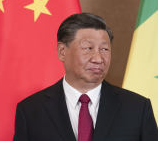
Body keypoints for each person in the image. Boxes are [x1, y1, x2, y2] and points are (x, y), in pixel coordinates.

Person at [13, 13, 158, 141]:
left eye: (104, 49)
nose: (98, 58)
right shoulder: (31, 110)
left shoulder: (137, 108)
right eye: (88, 48)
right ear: (62, 51)